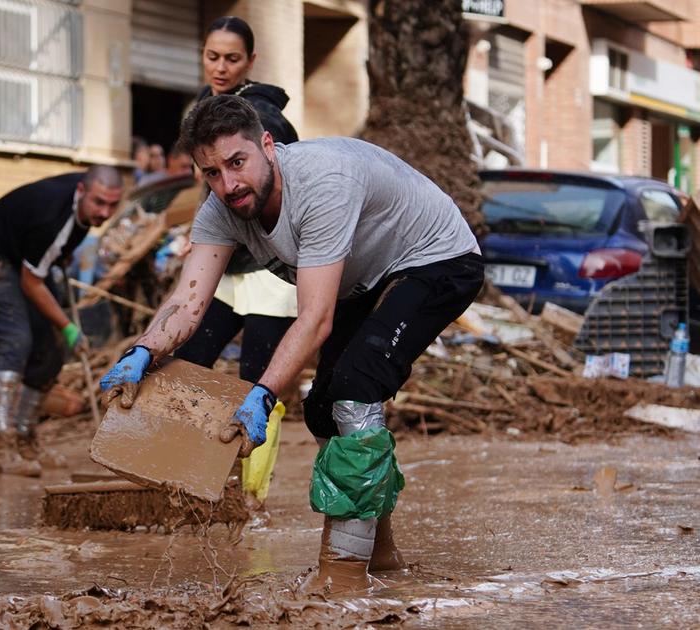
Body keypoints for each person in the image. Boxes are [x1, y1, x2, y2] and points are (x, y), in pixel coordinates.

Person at [100, 96, 483, 592]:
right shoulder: (221, 209)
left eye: (237, 163)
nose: (229, 184)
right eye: (211, 173)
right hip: (363, 278)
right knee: (323, 407)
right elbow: (187, 303)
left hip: (438, 259)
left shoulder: (323, 183)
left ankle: (343, 573)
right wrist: (142, 352)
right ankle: (380, 552)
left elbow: (316, 319)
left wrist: (261, 395)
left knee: (356, 384)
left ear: (267, 146)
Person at [174, 16, 298, 389]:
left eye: (232, 58)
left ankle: (254, 450)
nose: (221, 68)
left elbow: (273, 190)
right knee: (187, 363)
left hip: (268, 265)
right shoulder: (202, 106)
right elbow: (209, 188)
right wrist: (197, 232)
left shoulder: (262, 117)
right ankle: (182, 448)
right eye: (213, 57)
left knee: (257, 385)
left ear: (250, 61)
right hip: (226, 262)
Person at [0, 166, 124, 440]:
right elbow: (31, 282)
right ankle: (0, 435)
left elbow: (52, 250)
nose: (104, 213)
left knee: (51, 349)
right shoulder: (52, 219)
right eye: (99, 203)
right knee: (17, 340)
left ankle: (25, 434)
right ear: (81, 190)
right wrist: (68, 327)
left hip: (25, 256)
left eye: (113, 205)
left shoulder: (83, 202)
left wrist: (60, 254)